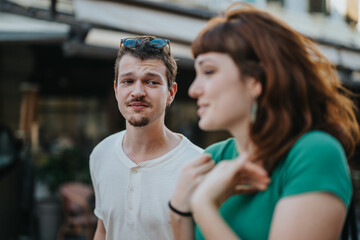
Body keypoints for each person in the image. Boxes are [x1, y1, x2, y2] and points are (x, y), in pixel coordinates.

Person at [169, 3, 360, 240]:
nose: (194, 90)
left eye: (208, 72)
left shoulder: (314, 153)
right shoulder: (212, 158)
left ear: (255, 81)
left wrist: (204, 206)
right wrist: (178, 209)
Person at [90, 36, 203, 240]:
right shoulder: (101, 154)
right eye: (128, 81)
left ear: (171, 93)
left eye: (151, 82)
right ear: (117, 90)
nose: (138, 92)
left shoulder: (197, 165)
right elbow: (104, 229)